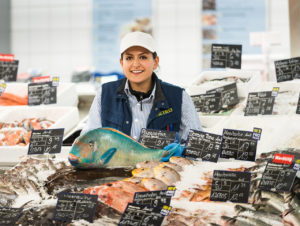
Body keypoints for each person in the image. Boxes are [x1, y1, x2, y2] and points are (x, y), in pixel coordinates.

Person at [81, 31, 202, 144]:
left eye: (143, 57)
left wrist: (180, 152)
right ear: (122, 63)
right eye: (129, 58)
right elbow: (87, 141)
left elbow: (196, 145)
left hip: (161, 167)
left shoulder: (179, 97)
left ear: (155, 62)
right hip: (114, 166)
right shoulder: (105, 94)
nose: (136, 64)